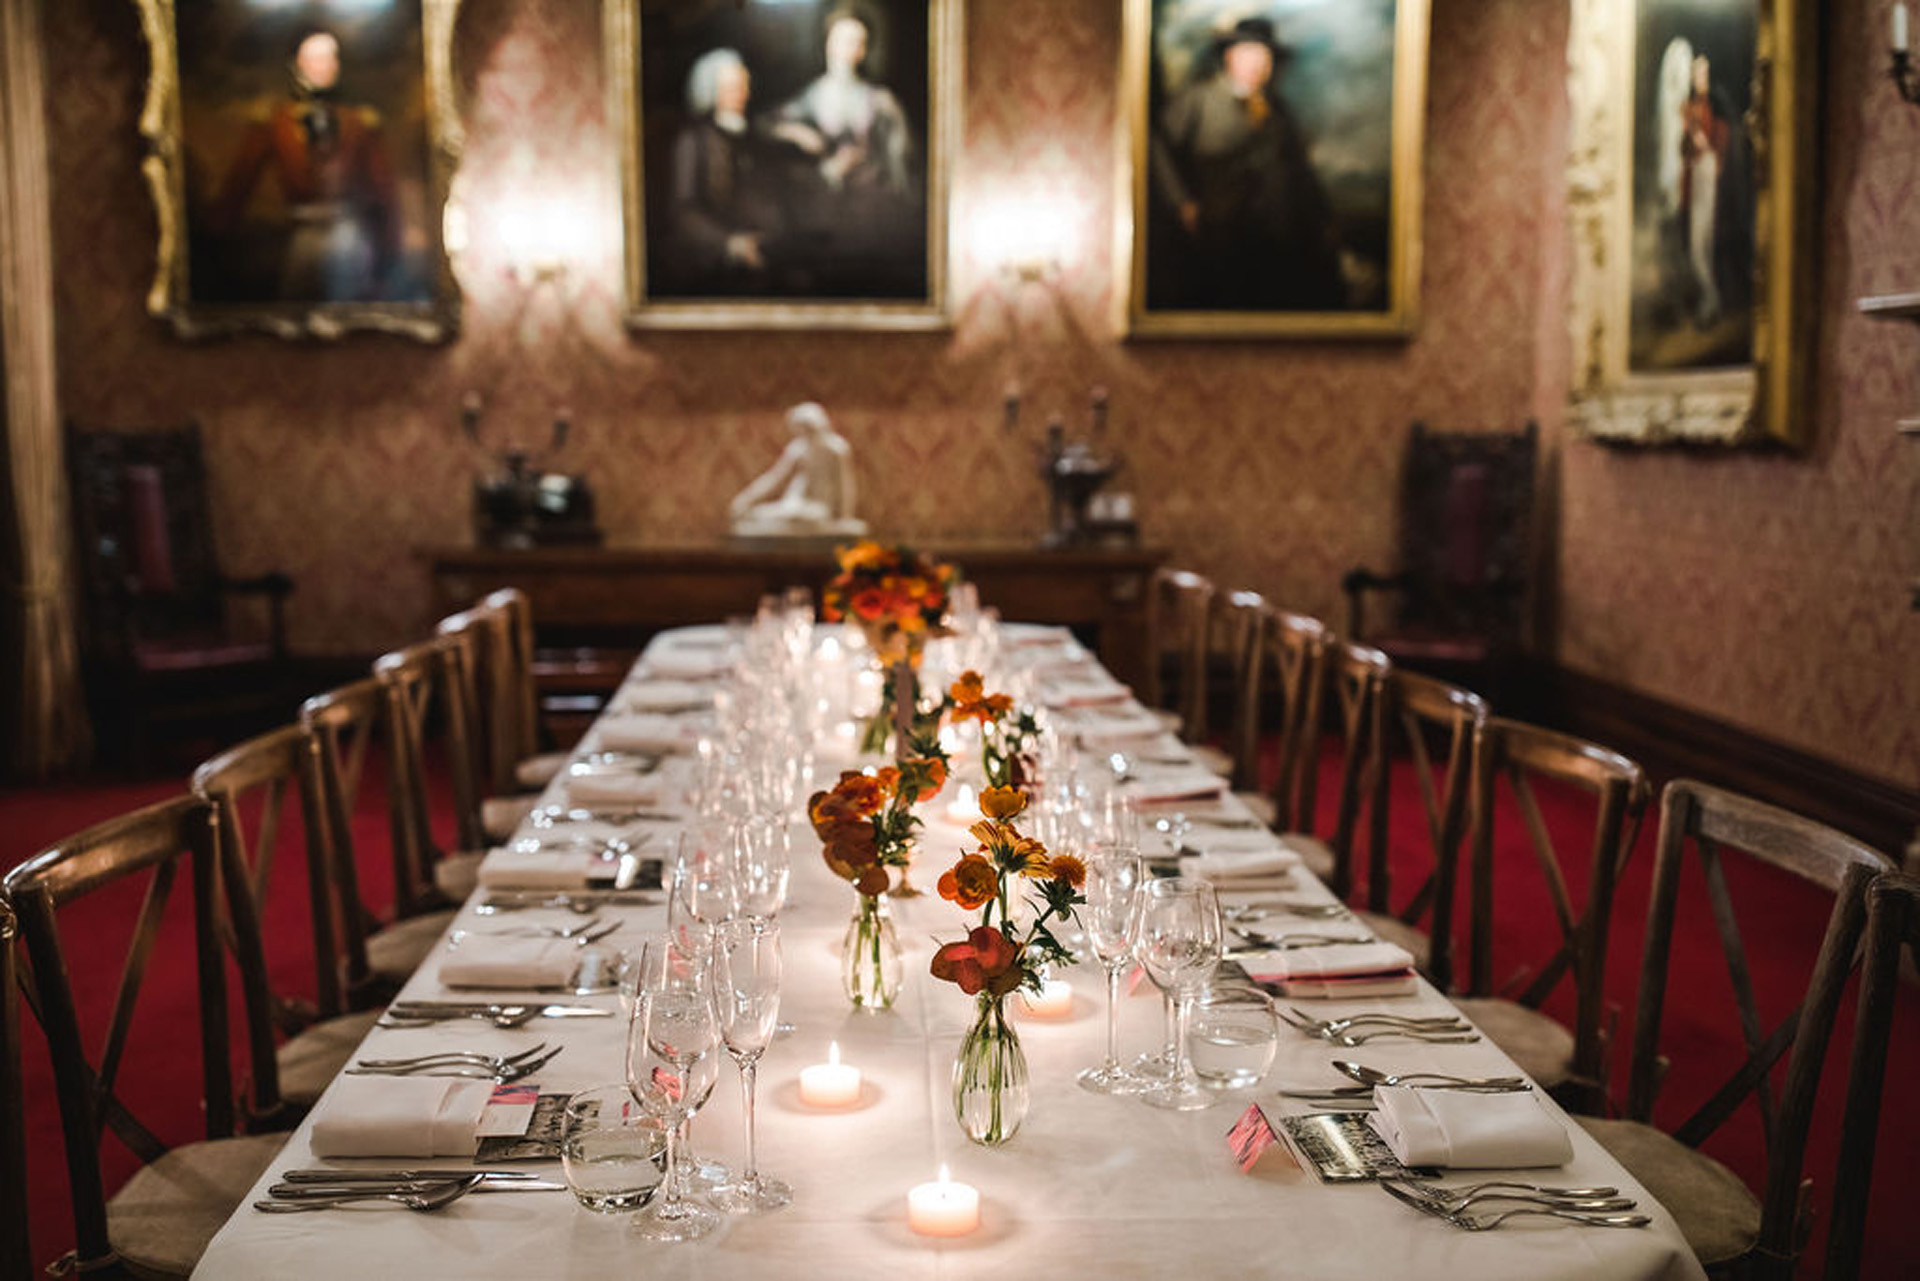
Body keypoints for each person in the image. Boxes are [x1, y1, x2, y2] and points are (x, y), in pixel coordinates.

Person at [1148, 17, 1344, 311]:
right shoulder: (1198, 101)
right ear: (1231, 57)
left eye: (1265, 57)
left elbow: (1300, 173)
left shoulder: (1278, 112)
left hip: (1278, 247)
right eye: (1250, 54)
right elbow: (1157, 145)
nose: (1258, 65)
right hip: (1218, 240)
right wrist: (1181, 202)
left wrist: (1324, 221)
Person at [210, 29, 405, 302]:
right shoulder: (274, 121)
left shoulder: (359, 121)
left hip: (349, 235)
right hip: (302, 237)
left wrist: (391, 249)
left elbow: (385, 190)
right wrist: (218, 236)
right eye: (315, 58)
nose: (325, 66)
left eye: (330, 58)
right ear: (297, 64)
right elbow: (239, 182)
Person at [769, 7, 921, 294]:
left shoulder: (880, 101)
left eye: (856, 42)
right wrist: (798, 133)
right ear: (828, 43)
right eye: (842, 40)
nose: (848, 49)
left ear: (864, 50)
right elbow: (766, 125)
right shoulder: (812, 96)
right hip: (823, 206)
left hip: (870, 206)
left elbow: (902, 165)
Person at [661, 47, 785, 295]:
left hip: (766, 256)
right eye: (732, 88)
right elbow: (685, 212)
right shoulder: (693, 141)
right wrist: (730, 244)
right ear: (712, 92)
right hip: (711, 264)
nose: (742, 94)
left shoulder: (756, 138)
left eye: (744, 86)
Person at [729, 402, 866, 538]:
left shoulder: (835, 449)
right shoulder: (798, 448)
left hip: (820, 508)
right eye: (800, 429)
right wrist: (746, 499)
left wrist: (844, 517)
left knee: (799, 516)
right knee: (761, 515)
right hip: (795, 503)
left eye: (807, 429)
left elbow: (844, 484)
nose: (804, 433)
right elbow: (774, 478)